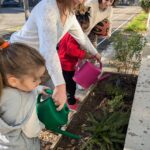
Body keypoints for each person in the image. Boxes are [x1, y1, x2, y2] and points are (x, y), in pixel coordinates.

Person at [10, 0, 101, 111]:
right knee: (24, 101)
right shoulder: (48, 8)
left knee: (51, 94)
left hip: (39, 59)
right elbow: (48, 50)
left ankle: (49, 122)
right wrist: (60, 85)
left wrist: (95, 53)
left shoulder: (70, 14)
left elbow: (81, 37)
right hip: (20, 57)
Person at [0, 38, 48, 150]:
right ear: (13, 81)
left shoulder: (4, 87)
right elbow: (32, 131)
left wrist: (37, 88)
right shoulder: (25, 101)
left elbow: (20, 88)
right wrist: (43, 125)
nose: (39, 81)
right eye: (35, 80)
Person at [57, 15, 94, 110]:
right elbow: (71, 50)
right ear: (77, 25)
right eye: (83, 28)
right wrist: (84, 54)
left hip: (64, 61)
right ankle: (70, 102)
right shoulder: (73, 36)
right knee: (70, 84)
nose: (84, 31)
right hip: (66, 63)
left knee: (68, 82)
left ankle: (71, 98)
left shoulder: (68, 32)